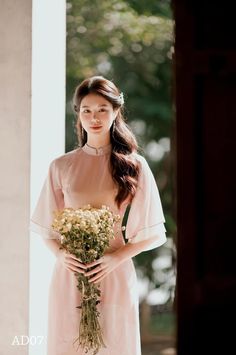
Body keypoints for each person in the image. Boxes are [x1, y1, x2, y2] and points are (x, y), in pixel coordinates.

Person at [29, 75, 167, 355]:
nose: (94, 117)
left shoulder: (134, 166)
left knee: (114, 344)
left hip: (114, 271)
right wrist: (60, 255)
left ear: (116, 111)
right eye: (86, 110)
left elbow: (153, 234)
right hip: (70, 273)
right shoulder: (61, 166)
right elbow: (46, 227)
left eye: (102, 109)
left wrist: (115, 257)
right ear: (78, 115)